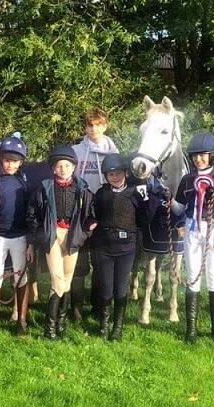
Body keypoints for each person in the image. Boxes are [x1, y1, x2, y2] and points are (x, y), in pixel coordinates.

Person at [26, 146, 97, 340]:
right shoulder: (44, 187)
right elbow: (32, 214)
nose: (63, 169)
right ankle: (49, 330)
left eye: (67, 165)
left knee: (66, 281)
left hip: (72, 236)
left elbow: (89, 214)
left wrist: (87, 230)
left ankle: (61, 326)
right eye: (59, 166)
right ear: (53, 168)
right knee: (57, 280)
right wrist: (39, 236)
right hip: (53, 236)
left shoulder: (82, 188)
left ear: (74, 167)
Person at [173, 132, 214, 343]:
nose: (198, 159)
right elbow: (179, 208)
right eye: (195, 156)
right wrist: (166, 197)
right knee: (192, 276)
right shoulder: (187, 179)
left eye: (202, 155)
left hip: (213, 229)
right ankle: (191, 329)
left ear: (212, 155)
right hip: (192, 228)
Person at [92, 153, 149, 341]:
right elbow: (95, 214)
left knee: (121, 288)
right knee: (106, 287)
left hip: (126, 247)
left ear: (125, 173)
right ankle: (104, 324)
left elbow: (145, 217)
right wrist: (91, 223)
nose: (114, 177)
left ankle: (118, 327)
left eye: (117, 173)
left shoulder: (135, 193)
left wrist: (155, 197)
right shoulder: (101, 194)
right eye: (110, 174)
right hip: (104, 247)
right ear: (106, 177)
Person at [71, 107, 119, 323]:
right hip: (80, 212)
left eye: (98, 125)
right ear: (85, 127)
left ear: (105, 126)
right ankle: (76, 308)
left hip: (104, 211)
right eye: (90, 125)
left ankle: (99, 305)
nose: (94, 129)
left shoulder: (114, 152)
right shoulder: (76, 151)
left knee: (101, 262)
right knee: (79, 263)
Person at [0, 135, 31, 335]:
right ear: (1, 160)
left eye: (15, 161)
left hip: (19, 237)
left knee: (21, 276)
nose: (11, 164)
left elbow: (30, 213)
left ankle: (21, 320)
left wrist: (30, 241)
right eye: (7, 160)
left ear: (21, 162)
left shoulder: (25, 184)